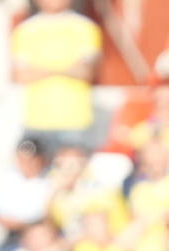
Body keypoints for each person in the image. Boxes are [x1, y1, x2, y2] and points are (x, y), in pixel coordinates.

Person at [10, 0, 101, 153]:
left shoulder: (85, 28)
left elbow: (85, 72)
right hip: (36, 120)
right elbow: (22, 76)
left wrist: (42, 70)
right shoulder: (25, 30)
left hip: (76, 120)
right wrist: (66, 69)